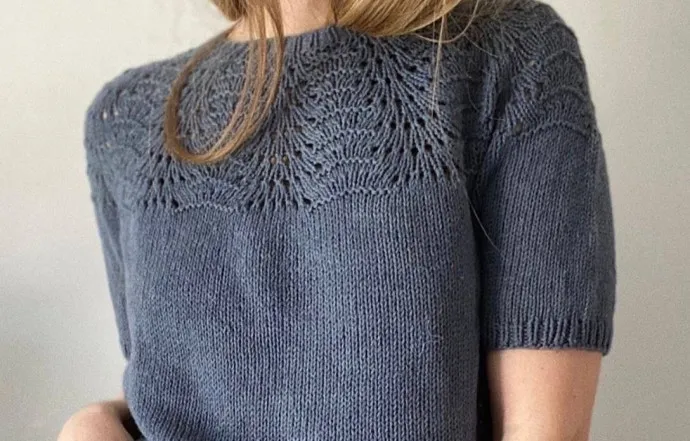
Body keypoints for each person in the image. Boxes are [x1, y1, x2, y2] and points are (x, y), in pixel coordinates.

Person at [58, 0, 617, 439]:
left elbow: (545, 431)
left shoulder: (505, 52)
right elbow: (186, 385)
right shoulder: (127, 120)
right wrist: (95, 422)